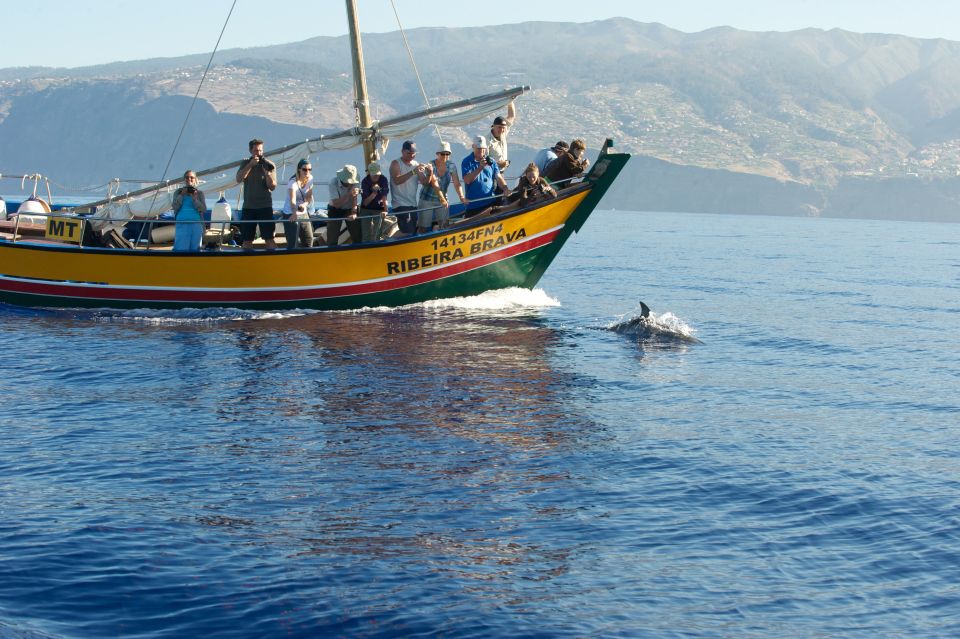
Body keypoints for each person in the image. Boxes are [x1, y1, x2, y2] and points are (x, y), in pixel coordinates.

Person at [235, 138, 278, 250]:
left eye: (260, 150)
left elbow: (272, 187)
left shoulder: (269, 165)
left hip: (265, 206)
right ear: (250, 151)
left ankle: (274, 261)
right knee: (247, 240)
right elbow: (239, 179)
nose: (258, 153)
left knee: (269, 239)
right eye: (256, 151)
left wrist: (267, 174)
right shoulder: (245, 163)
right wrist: (250, 165)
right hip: (249, 207)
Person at [417, 141, 467, 233]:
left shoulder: (451, 166)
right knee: (423, 228)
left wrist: (462, 197)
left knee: (445, 226)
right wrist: (442, 199)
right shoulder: (431, 165)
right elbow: (434, 183)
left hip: (443, 199)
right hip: (427, 199)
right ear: (437, 154)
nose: (445, 156)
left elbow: (456, 183)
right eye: (442, 154)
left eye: (447, 154)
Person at [462, 135, 511, 217]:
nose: (481, 151)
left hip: (490, 202)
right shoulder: (467, 162)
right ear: (473, 147)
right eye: (479, 148)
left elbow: (499, 177)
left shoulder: (491, 161)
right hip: (474, 206)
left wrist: (505, 188)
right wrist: (480, 167)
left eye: (483, 148)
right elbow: (467, 180)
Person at [389, 140, 424, 234]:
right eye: (409, 153)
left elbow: (424, 182)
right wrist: (413, 172)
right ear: (402, 151)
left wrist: (430, 173)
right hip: (400, 204)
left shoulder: (416, 164)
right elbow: (397, 181)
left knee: (412, 231)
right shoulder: (395, 163)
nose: (412, 155)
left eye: (414, 153)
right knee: (408, 232)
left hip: (412, 204)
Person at [279, 159, 315, 249]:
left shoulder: (310, 178)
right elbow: (292, 200)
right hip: (290, 213)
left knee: (309, 239)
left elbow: (309, 197)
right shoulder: (293, 182)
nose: (307, 172)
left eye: (310, 169)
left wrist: (304, 205)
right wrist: (294, 213)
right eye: (304, 169)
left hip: (303, 212)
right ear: (299, 169)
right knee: (293, 242)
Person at [171, 170, 207, 251]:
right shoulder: (178, 192)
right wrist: (181, 195)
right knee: (181, 249)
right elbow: (174, 207)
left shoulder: (199, 193)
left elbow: (203, 209)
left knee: (195, 249)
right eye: (187, 177)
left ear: (195, 179)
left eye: (192, 177)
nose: (189, 179)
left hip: (196, 224)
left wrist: (195, 199)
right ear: (184, 179)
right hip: (182, 224)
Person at [326, 164, 360, 247]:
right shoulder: (332, 183)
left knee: (358, 236)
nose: (351, 183)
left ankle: (358, 252)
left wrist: (354, 212)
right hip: (335, 209)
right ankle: (331, 254)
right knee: (332, 239)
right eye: (349, 181)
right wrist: (349, 193)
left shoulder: (357, 178)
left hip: (350, 208)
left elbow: (355, 198)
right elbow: (337, 204)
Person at [359, 161, 389, 243]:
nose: (376, 176)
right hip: (366, 209)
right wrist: (374, 193)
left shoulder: (383, 179)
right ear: (369, 173)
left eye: (377, 174)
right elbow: (365, 203)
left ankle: (377, 249)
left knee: (377, 234)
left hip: (379, 209)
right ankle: (365, 250)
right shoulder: (365, 182)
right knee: (366, 235)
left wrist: (385, 210)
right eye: (374, 174)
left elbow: (384, 196)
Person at [488, 100, 516, 172]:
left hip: (501, 172)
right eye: (499, 127)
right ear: (493, 126)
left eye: (503, 128)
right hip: (490, 173)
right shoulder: (487, 140)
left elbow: (511, 116)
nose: (502, 130)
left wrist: (510, 100)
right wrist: (498, 164)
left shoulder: (503, 134)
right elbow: (483, 160)